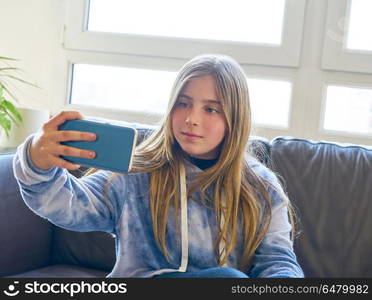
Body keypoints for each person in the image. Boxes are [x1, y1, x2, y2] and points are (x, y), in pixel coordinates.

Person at [13, 54, 304, 278]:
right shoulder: (137, 173)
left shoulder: (260, 186)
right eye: (183, 103)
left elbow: (277, 262)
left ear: (235, 118)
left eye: (211, 109)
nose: (191, 118)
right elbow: (70, 206)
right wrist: (36, 162)